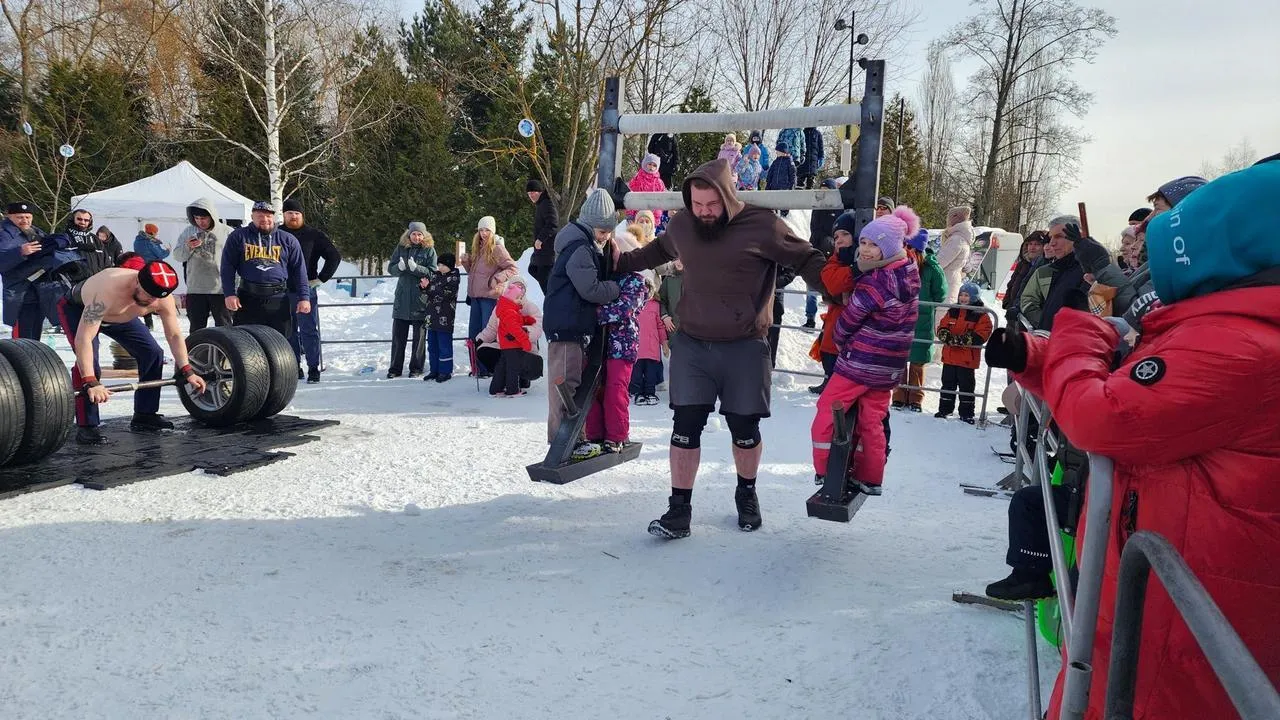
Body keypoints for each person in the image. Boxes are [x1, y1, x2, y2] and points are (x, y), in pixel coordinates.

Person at [984, 158, 1280, 720]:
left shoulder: (1238, 344)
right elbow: (1140, 386)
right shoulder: (1225, 328)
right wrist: (1034, 356)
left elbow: (1107, 413)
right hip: (1164, 567)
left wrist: (1078, 331)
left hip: (1179, 606)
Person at [612, 158, 827, 538]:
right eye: (697, 205)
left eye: (712, 205)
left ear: (727, 197)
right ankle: (678, 509)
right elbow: (652, 253)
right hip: (693, 344)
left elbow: (806, 257)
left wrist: (834, 286)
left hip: (744, 345)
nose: (704, 212)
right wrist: (612, 262)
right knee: (685, 426)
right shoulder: (683, 224)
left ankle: (747, 493)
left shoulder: (762, 225)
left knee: (744, 428)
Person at [810, 205, 921, 496]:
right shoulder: (908, 273)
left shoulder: (876, 281)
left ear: (891, 247)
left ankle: (823, 469)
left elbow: (849, 320)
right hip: (888, 367)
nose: (867, 251)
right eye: (864, 243)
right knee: (872, 421)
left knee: (827, 409)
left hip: (860, 362)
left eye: (875, 245)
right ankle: (870, 477)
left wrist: (841, 338)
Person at [56, 259, 207, 445]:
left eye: (155, 298)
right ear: (137, 281)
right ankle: (87, 426)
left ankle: (145, 414)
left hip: (121, 315)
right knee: (89, 365)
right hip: (78, 311)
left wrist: (187, 369)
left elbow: (175, 335)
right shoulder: (106, 291)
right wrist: (90, 381)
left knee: (152, 353)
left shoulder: (162, 298)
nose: (152, 301)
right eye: (148, 295)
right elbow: (84, 339)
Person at [542, 188, 621, 445]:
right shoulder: (580, 249)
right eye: (602, 232)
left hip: (570, 325)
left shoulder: (582, 245)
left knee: (570, 382)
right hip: (566, 327)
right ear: (589, 226)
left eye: (608, 232)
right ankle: (562, 442)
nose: (605, 238)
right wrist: (616, 287)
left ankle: (574, 438)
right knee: (565, 383)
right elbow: (591, 289)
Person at [579, 230, 648, 454]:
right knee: (594, 388)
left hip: (622, 344)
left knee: (615, 390)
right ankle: (596, 433)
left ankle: (617, 434)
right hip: (599, 343)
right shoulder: (605, 278)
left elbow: (624, 309)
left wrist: (594, 314)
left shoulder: (637, 281)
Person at [220, 201, 310, 339]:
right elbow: (227, 267)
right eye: (260, 216)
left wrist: (304, 297)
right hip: (248, 297)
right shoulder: (238, 236)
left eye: (268, 216)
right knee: (245, 341)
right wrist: (229, 294)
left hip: (278, 297)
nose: (264, 219)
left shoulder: (287, 239)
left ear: (274, 217)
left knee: (280, 342)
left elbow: (299, 270)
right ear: (252, 216)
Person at [1, 201, 85, 340]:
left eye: (28, 217)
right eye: (20, 217)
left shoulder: (35, 230)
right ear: (9, 217)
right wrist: (19, 252)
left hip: (41, 291)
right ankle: (23, 361)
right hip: (21, 293)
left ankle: (35, 360)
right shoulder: (4, 234)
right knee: (23, 337)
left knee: (35, 334)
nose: (25, 220)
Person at [281, 198, 341, 382]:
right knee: (288, 330)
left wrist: (321, 278)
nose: (293, 217)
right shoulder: (276, 233)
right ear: (283, 215)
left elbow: (334, 256)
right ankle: (293, 366)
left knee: (309, 330)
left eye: (297, 214)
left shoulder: (313, 235)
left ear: (302, 216)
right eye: (290, 213)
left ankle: (313, 368)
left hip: (305, 290)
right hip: (281, 290)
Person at [892, 228, 946, 412]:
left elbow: (941, 293)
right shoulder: (899, 265)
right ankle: (898, 396)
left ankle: (915, 398)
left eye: (911, 247)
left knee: (917, 361)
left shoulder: (931, 268)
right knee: (899, 359)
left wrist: (926, 305)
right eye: (905, 245)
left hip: (921, 321)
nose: (907, 250)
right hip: (901, 318)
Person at [460, 216, 518, 376]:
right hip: (476, 297)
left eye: (487, 230)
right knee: (474, 332)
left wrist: (497, 278)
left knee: (487, 332)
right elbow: (475, 273)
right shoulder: (478, 248)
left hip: (489, 297)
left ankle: (490, 368)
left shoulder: (497, 248)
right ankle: (478, 367)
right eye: (481, 230)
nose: (484, 233)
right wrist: (467, 263)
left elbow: (512, 268)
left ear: (492, 231)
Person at [934, 282, 992, 423]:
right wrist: (945, 335)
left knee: (966, 387)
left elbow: (982, 334)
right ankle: (944, 409)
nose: (963, 298)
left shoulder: (980, 314)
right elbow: (943, 325)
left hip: (967, 359)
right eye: (961, 295)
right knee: (947, 384)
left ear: (974, 297)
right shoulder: (953, 310)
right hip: (949, 357)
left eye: (967, 295)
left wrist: (961, 340)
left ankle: (966, 413)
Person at [172, 198, 232, 331]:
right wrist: (188, 246)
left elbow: (236, 260)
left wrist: (234, 288)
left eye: (204, 218)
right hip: (195, 289)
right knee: (196, 330)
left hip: (220, 289)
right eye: (197, 218)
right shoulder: (188, 231)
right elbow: (177, 256)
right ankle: (196, 352)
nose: (200, 222)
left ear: (212, 215)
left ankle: (225, 352)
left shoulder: (227, 232)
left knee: (225, 329)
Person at [386, 222, 437, 378]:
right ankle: (395, 369)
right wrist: (399, 268)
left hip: (420, 300)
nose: (417, 237)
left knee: (419, 339)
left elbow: (433, 272)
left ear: (424, 235)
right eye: (414, 234)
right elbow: (391, 269)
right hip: (402, 300)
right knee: (398, 338)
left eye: (420, 234)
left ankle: (416, 368)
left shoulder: (429, 250)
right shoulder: (401, 248)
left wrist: (417, 268)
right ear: (409, 235)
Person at [475, 277, 543, 391]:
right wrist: (480, 339)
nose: (518, 289)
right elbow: (492, 328)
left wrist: (523, 332)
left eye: (521, 287)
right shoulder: (500, 307)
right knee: (485, 352)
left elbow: (537, 328)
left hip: (526, 349)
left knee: (515, 359)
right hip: (505, 345)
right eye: (515, 286)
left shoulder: (530, 307)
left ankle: (521, 378)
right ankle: (503, 381)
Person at [490, 282, 537, 397]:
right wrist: (525, 342)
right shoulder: (510, 312)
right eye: (518, 298)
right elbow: (515, 329)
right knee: (513, 368)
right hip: (512, 345)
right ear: (512, 299)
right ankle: (512, 390)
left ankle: (496, 389)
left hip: (506, 345)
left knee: (502, 367)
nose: (520, 301)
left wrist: (526, 320)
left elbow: (515, 321)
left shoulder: (508, 309)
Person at [630, 275, 668, 406]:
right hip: (637, 347)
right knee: (636, 373)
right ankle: (637, 393)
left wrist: (664, 343)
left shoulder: (656, 305)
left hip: (652, 348)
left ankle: (650, 392)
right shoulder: (633, 304)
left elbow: (660, 326)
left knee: (651, 373)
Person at [423, 253, 460, 382]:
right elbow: (430, 292)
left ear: (450, 265)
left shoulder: (454, 277)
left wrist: (430, 288)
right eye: (439, 264)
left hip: (445, 316)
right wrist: (423, 287)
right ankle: (434, 370)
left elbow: (447, 294)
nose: (440, 267)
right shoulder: (436, 276)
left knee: (444, 345)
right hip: (431, 316)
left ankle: (445, 371)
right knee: (432, 345)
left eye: (443, 265)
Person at [526, 180, 559, 294]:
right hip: (542, 253)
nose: (531, 195)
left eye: (534, 192)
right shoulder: (541, 204)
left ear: (540, 192)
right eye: (529, 193)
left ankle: (552, 307)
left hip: (547, 252)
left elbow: (553, 224)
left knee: (546, 284)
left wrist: (540, 239)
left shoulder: (546, 204)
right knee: (533, 269)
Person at [937, 206, 973, 309]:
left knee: (941, 315)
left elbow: (940, 262)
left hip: (947, 283)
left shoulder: (956, 240)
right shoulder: (961, 238)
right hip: (951, 280)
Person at [65, 209, 120, 276]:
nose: (82, 222)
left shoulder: (95, 239)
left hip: (95, 282)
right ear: (72, 219)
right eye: (79, 219)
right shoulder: (64, 238)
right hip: (73, 283)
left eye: (86, 220)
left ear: (90, 222)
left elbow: (107, 264)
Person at [626, 154, 667, 225]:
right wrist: (630, 214)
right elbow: (632, 197)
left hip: (653, 216)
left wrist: (658, 215)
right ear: (645, 164)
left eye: (654, 165)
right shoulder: (638, 180)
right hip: (638, 214)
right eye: (650, 164)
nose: (651, 167)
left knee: (650, 234)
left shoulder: (659, 182)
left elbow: (662, 200)